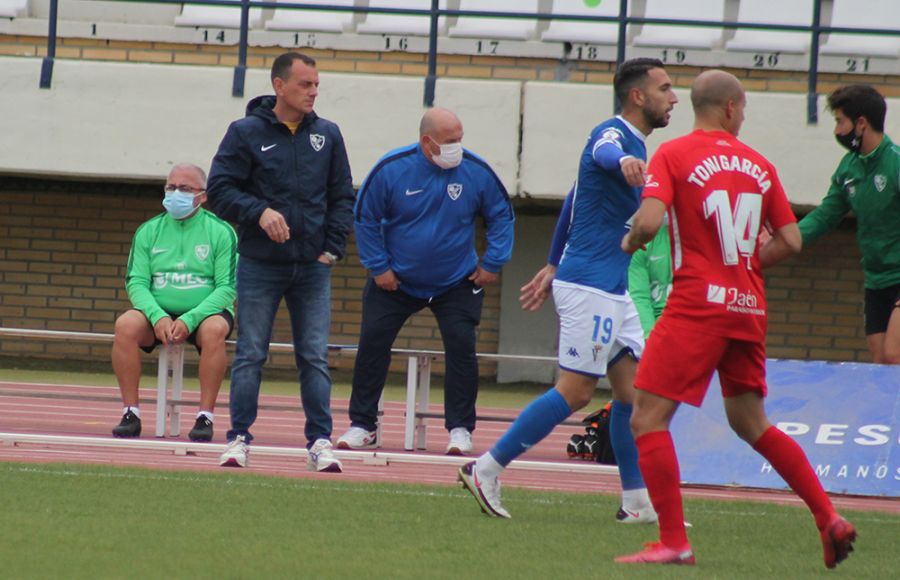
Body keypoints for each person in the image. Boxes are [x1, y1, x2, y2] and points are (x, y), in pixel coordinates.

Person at [616, 70, 856, 567]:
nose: (743, 116)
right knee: (753, 423)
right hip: (747, 307)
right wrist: (746, 264)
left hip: (695, 306)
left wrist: (630, 242)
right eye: (743, 108)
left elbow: (650, 220)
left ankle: (673, 542)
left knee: (648, 417)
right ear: (729, 108)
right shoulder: (760, 165)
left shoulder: (674, 154)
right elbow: (790, 240)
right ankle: (827, 517)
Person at [459, 57, 678, 520]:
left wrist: (553, 262)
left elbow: (574, 201)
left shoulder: (639, 146)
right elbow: (604, 152)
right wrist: (623, 161)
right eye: (665, 88)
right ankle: (486, 468)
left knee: (633, 394)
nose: (674, 97)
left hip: (611, 287)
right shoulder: (613, 135)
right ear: (638, 95)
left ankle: (636, 502)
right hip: (592, 287)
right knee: (577, 391)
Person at [207, 52, 355, 472]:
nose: (313, 92)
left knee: (314, 356)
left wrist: (333, 247)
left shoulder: (327, 135)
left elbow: (342, 195)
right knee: (251, 353)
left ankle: (320, 442)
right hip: (260, 264)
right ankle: (238, 439)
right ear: (279, 85)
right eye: (305, 84)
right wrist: (259, 211)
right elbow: (219, 189)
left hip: (313, 267)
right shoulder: (245, 133)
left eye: (316, 85)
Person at [337, 107, 515, 455]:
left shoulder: (476, 171)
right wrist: (378, 267)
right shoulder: (391, 169)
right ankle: (363, 424)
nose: (457, 148)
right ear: (426, 142)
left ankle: (460, 429)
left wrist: (493, 262)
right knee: (372, 345)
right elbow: (365, 218)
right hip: (396, 281)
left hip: (455, 282)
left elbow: (502, 215)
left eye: (460, 140)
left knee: (462, 349)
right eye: (450, 142)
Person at [111, 163, 237, 442]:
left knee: (215, 329)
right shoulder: (148, 230)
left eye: (184, 188)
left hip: (205, 313)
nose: (175, 193)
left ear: (202, 196)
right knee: (125, 325)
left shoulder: (221, 231)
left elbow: (227, 287)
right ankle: (131, 413)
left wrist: (190, 318)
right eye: (170, 187)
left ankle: (205, 417)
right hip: (158, 313)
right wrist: (157, 316)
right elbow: (137, 283)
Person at [798, 84, 900, 364]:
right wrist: (787, 237)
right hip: (876, 280)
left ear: (861, 123)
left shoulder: (895, 164)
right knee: (880, 362)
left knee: (894, 355)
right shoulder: (848, 168)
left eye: (840, 121)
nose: (836, 131)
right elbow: (824, 216)